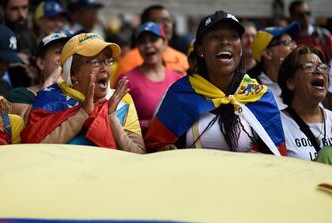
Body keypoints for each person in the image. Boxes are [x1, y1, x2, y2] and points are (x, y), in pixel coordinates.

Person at [145, 10, 286, 156]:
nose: (225, 42)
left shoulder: (260, 96)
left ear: (241, 49)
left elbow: (279, 158)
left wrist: (259, 157)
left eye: (233, 36)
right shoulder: (180, 94)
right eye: (215, 36)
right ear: (200, 50)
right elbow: (154, 150)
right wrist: (168, 151)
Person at [22, 33, 145, 153]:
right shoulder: (49, 98)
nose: (104, 68)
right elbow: (34, 149)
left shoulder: (122, 100)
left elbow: (139, 154)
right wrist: (83, 114)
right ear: (73, 73)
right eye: (95, 62)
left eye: (107, 60)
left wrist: (111, 116)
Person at [116, 22, 182, 133]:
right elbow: (117, 119)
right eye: (142, 42)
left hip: (175, 147)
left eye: (153, 40)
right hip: (140, 147)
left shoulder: (178, 79)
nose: (148, 45)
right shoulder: (126, 80)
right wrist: (148, 124)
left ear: (165, 43)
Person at [278, 46, 332, 161]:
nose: (318, 71)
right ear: (290, 82)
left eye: (322, 67)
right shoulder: (277, 125)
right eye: (309, 67)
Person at [6, 30, 72, 122]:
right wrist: (51, 84)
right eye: (59, 52)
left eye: (69, 53)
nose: (66, 58)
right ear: (41, 63)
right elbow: (31, 124)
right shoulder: (19, 95)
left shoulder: (83, 93)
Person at [113, 4, 189, 83]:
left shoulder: (182, 59)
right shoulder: (129, 61)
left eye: (169, 20)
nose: (167, 25)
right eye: (161, 21)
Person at [249, 22, 300, 109]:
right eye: (287, 43)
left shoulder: (299, 81)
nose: (294, 47)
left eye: (293, 42)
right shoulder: (251, 90)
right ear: (267, 53)